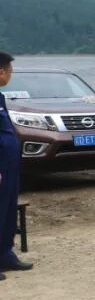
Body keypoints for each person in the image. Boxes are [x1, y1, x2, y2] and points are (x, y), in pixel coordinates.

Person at [0, 52, 33, 279]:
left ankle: (5, 254)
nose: (10, 76)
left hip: (9, 163)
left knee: (8, 208)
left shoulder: (0, 98)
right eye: (10, 72)